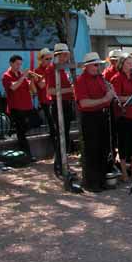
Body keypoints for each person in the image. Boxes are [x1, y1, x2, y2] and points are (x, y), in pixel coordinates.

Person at [74, 52, 112, 192]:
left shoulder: (100, 78)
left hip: (102, 115)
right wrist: (104, 99)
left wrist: (110, 93)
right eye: (96, 65)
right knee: (92, 150)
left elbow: (106, 93)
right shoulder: (81, 80)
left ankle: (101, 180)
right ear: (88, 66)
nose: (98, 67)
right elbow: (83, 103)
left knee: (103, 149)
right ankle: (92, 182)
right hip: (90, 117)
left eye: (99, 65)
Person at [111, 53, 132, 182]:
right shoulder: (117, 78)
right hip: (123, 115)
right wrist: (131, 97)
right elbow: (116, 97)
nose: (131, 66)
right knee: (124, 144)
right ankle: (124, 172)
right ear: (121, 64)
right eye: (128, 63)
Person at [45, 43, 75, 177]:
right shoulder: (51, 69)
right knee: (61, 136)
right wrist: (70, 90)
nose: (66, 57)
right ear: (58, 55)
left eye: (67, 54)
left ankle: (63, 163)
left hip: (67, 103)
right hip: (58, 105)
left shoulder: (64, 68)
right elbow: (51, 90)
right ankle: (58, 165)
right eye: (64, 54)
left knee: (66, 136)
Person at [2, 55, 36, 156]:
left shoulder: (21, 74)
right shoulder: (6, 75)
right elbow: (13, 87)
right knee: (21, 133)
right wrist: (23, 77)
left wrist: (32, 80)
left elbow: (33, 90)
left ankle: (18, 135)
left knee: (37, 121)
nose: (19, 66)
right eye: (17, 64)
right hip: (16, 107)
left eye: (20, 64)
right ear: (11, 63)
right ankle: (27, 155)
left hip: (27, 106)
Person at [33, 48, 56, 142]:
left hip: (54, 97)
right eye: (47, 59)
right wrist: (47, 74)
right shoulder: (37, 70)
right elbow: (41, 85)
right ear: (41, 59)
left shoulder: (53, 68)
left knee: (56, 120)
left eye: (51, 59)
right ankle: (54, 139)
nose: (49, 61)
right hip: (45, 100)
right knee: (51, 121)